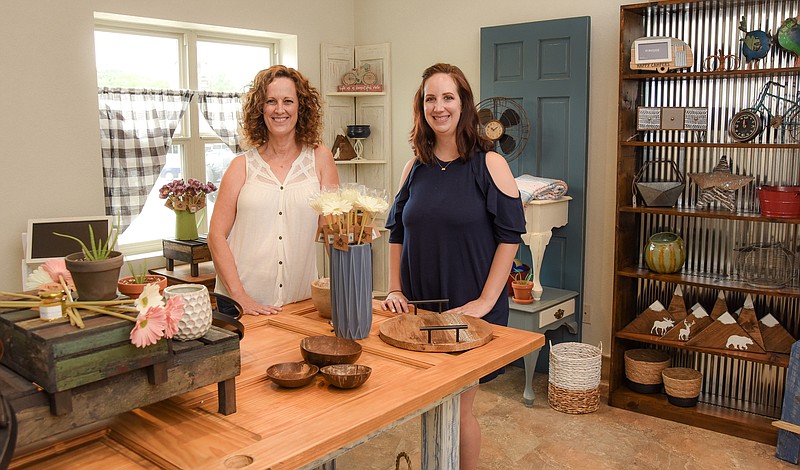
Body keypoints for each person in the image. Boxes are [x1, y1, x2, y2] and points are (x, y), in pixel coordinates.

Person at [380, 63, 525, 470]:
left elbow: (510, 237)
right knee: (432, 406)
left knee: (457, 410)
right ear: (421, 106)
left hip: (468, 309)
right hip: (418, 311)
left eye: (448, 97)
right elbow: (396, 232)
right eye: (430, 98)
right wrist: (394, 289)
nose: (438, 107)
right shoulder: (415, 168)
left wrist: (483, 301)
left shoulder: (489, 163)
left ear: (464, 103)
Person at [209, 65, 339, 316]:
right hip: (241, 303)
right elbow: (216, 234)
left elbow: (333, 233)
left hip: (299, 301)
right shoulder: (241, 166)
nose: (280, 110)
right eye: (271, 101)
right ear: (260, 108)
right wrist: (240, 297)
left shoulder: (320, 160)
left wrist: (347, 288)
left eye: (288, 101)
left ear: (301, 107)